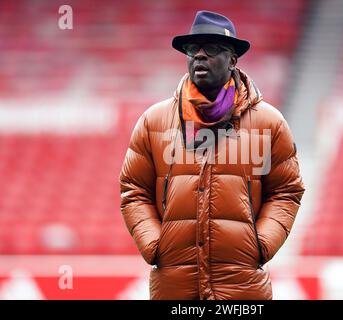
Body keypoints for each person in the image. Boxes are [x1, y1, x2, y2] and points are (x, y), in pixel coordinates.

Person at [119, 10, 305, 300]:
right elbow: (134, 190)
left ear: (233, 60)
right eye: (193, 49)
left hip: (242, 288)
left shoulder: (269, 123)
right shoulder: (153, 121)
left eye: (212, 48)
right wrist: (155, 245)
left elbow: (286, 191)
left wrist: (261, 245)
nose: (199, 56)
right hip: (174, 287)